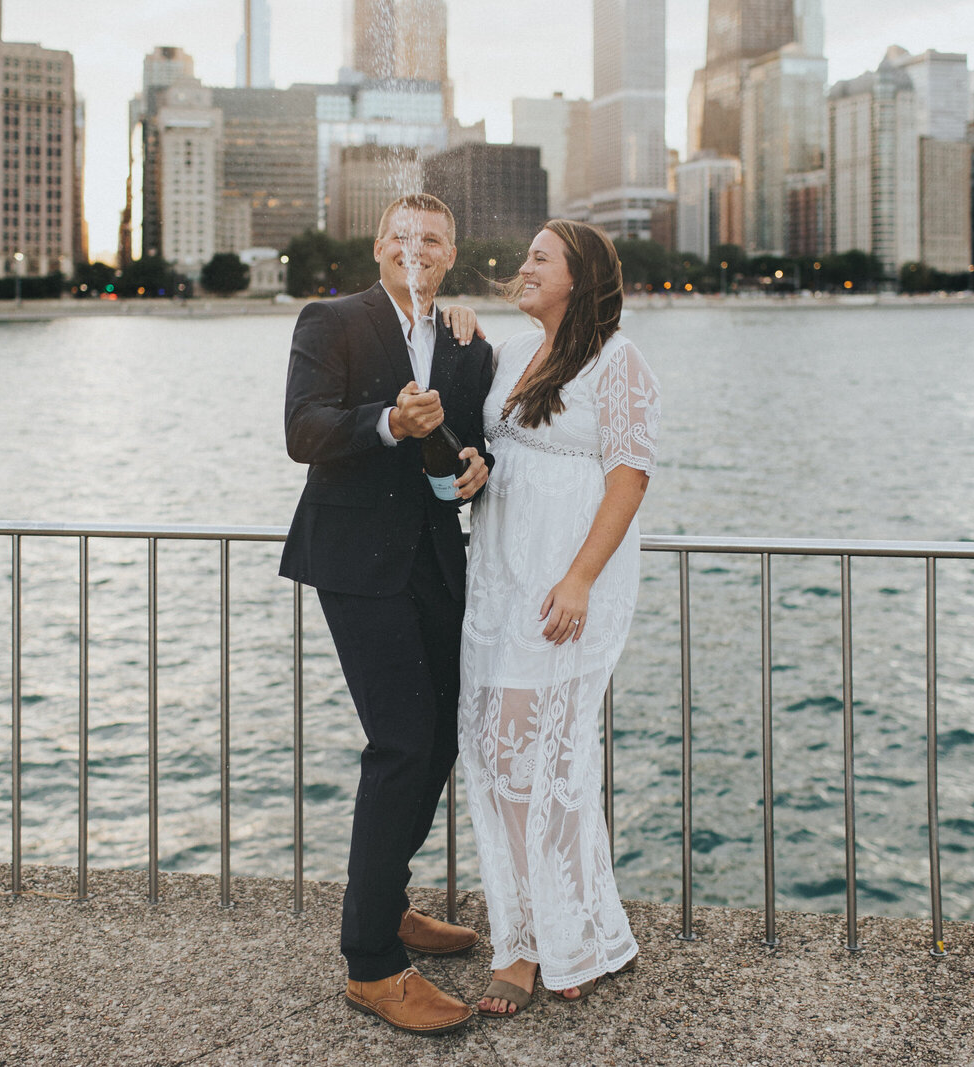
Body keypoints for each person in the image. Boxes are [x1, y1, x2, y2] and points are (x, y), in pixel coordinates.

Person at [279, 194, 495, 1036]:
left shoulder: (468, 342)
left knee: (438, 738)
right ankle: (371, 962)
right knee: (402, 741)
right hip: (357, 564)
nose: (419, 247)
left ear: (449, 255)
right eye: (404, 235)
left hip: (437, 564)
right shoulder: (329, 320)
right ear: (380, 247)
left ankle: (388, 901)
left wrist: (476, 466)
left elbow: (475, 444)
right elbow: (302, 430)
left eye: (434, 238)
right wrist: (386, 422)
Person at [454, 219, 660, 1017]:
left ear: (581, 277)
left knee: (547, 761)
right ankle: (542, 928)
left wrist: (578, 578)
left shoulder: (618, 360)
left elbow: (629, 478)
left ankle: (544, 943)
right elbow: (491, 451)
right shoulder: (507, 354)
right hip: (498, 584)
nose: (525, 266)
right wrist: (475, 468)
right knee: (500, 759)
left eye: (543, 257)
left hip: (566, 590)